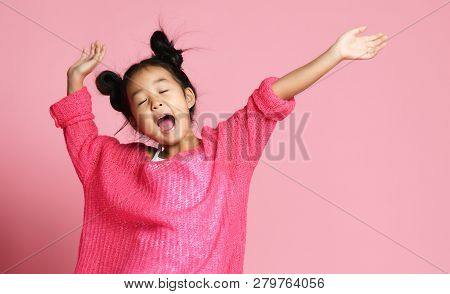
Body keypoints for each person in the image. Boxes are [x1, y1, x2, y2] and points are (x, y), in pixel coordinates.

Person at [49, 24, 387, 274]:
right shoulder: (120, 166)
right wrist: (75, 78)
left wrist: (335, 54)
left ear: (188, 97)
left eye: (163, 91)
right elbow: (83, 141)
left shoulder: (227, 152)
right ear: (137, 124)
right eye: (142, 101)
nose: (155, 103)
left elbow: (271, 98)